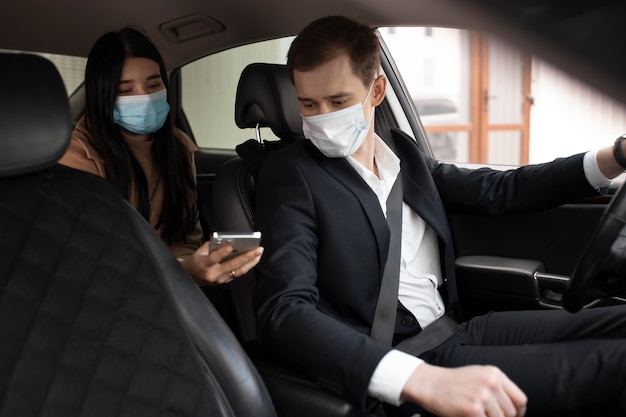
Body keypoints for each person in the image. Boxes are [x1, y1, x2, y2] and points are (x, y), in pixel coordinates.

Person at [252, 15, 626, 417]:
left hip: (459, 330)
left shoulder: (401, 151)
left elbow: (500, 190)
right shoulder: (291, 175)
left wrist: (615, 157)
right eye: (309, 104)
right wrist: (418, 380)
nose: (323, 118)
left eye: (338, 102)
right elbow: (284, 311)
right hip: (404, 362)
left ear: (376, 91)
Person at [60, 27, 263, 285]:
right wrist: (181, 272)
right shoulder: (75, 155)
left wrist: (191, 265)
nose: (144, 98)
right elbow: (90, 254)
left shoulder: (178, 147)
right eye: (126, 91)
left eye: (154, 85)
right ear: (103, 95)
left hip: (168, 290)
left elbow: (183, 238)